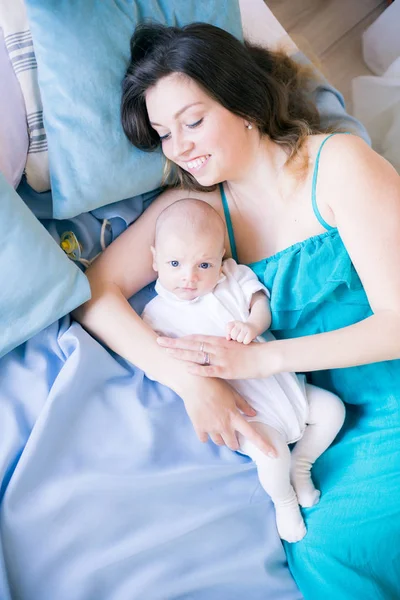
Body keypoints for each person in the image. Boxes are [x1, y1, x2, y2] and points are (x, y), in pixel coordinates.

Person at [74, 21, 400, 599]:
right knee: (324, 556)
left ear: (243, 102)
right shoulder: (196, 214)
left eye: (193, 121)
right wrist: (190, 381)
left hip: (390, 397)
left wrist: (258, 362)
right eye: (163, 134)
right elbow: (96, 293)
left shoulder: (339, 165)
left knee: (340, 559)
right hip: (323, 422)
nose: (180, 148)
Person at [141, 197, 345, 543]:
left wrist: (252, 325)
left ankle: (303, 465)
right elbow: (164, 361)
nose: (188, 277)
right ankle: (284, 500)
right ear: (155, 259)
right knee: (271, 454)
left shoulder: (233, 276)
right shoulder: (157, 315)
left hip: (284, 385)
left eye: (203, 265)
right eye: (175, 263)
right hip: (249, 409)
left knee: (332, 410)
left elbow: (260, 304)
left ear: (220, 258)